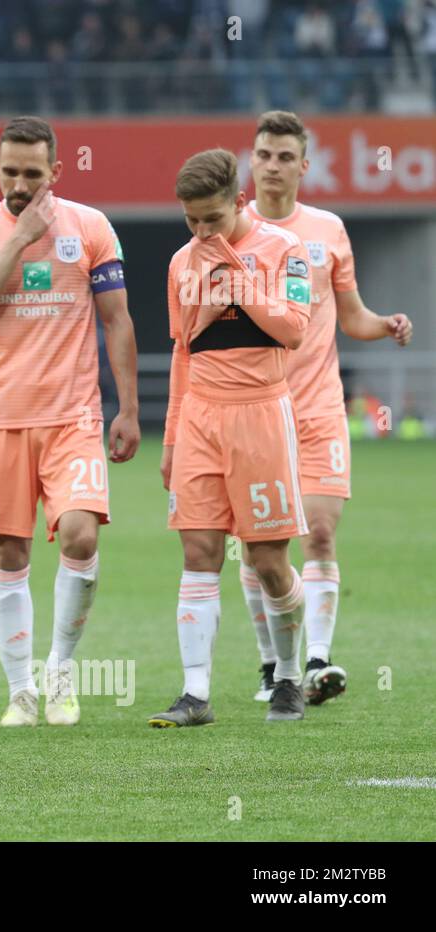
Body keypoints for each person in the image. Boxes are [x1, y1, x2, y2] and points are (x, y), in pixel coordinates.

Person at [0, 115, 140, 727]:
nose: (20, 183)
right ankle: (20, 692)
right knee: (9, 552)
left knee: (82, 535)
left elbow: (116, 320)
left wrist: (129, 409)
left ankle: (59, 672)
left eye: (33, 173)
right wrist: (19, 235)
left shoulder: (90, 227)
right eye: (10, 171)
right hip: (1, 420)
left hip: (72, 418)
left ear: (55, 171)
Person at [240, 111, 412, 705]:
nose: (273, 165)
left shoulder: (328, 230)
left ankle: (316, 661)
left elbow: (351, 314)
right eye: (264, 154)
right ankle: (270, 666)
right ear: (251, 159)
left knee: (318, 531)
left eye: (286, 156)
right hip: (256, 413)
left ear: (303, 166)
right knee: (261, 546)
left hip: (318, 409)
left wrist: (383, 324)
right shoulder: (233, 231)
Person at [151, 148, 311, 727]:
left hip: (261, 416)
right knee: (198, 551)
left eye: (211, 220)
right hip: (200, 418)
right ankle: (196, 694)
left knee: (269, 560)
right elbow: (182, 353)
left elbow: (294, 329)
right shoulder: (180, 263)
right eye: (191, 221)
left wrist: (238, 286)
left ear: (239, 202)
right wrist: (170, 439)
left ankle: (290, 677)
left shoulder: (282, 249)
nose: (200, 232)